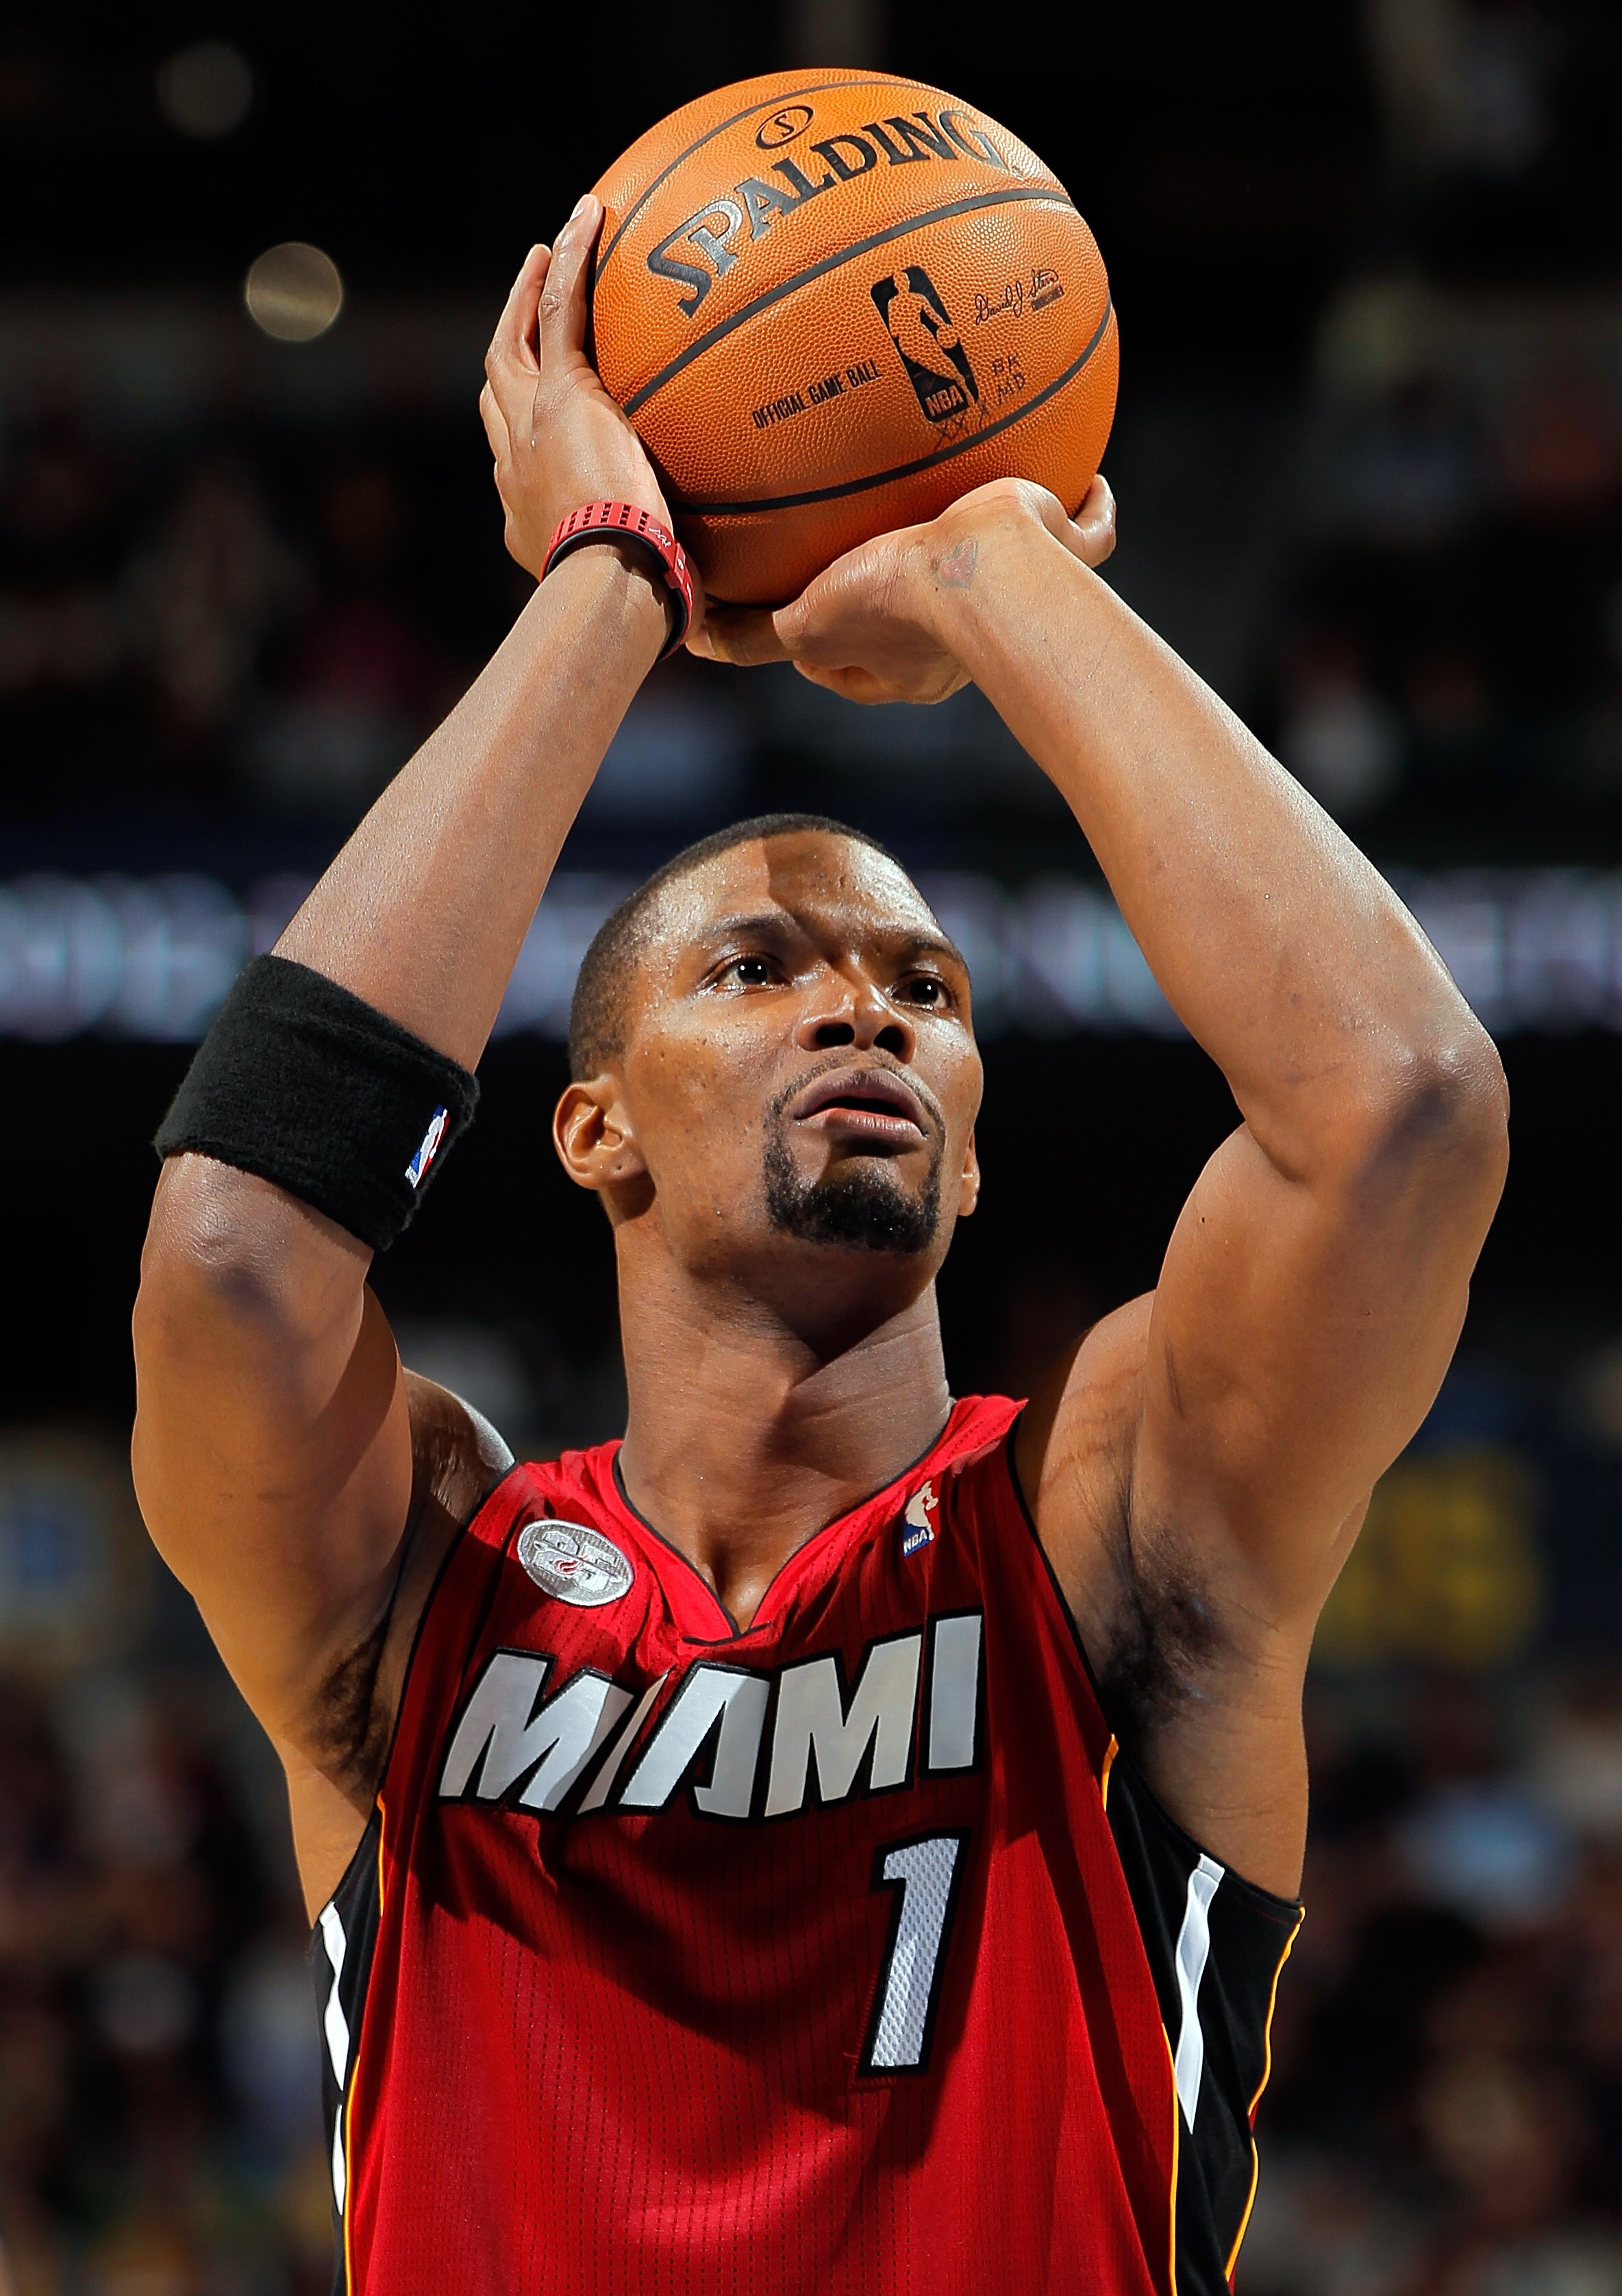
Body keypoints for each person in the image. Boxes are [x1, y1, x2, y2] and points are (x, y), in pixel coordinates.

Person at [130, 196, 1508, 2296]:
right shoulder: (426, 1569)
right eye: (756, 968)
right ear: (588, 1127)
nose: (864, 1009)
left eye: (926, 991)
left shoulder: (1102, 1521)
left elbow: (1403, 1110)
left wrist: (998, 566)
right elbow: (234, 1248)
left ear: (971, 1158)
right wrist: (610, 583)